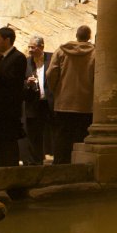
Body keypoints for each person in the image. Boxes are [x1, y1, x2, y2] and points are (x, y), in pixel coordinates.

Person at [46, 25, 95, 164]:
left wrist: (56, 90)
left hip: (64, 102)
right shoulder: (95, 53)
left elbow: (51, 73)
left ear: (76, 35)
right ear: (89, 36)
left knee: (62, 137)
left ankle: (60, 165)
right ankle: (79, 166)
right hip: (86, 103)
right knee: (81, 137)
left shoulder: (61, 51)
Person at [0, 27, 27, 166]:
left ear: (7, 40)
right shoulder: (1, 58)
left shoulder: (18, 58)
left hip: (8, 111)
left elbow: (12, 81)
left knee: (8, 147)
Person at [21, 35, 51, 165]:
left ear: (42, 47)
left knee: (52, 131)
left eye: (33, 47)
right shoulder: (26, 62)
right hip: (33, 103)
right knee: (33, 134)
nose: (30, 50)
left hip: (49, 102)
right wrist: (27, 82)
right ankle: (35, 161)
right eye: (29, 47)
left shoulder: (52, 58)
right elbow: (19, 81)